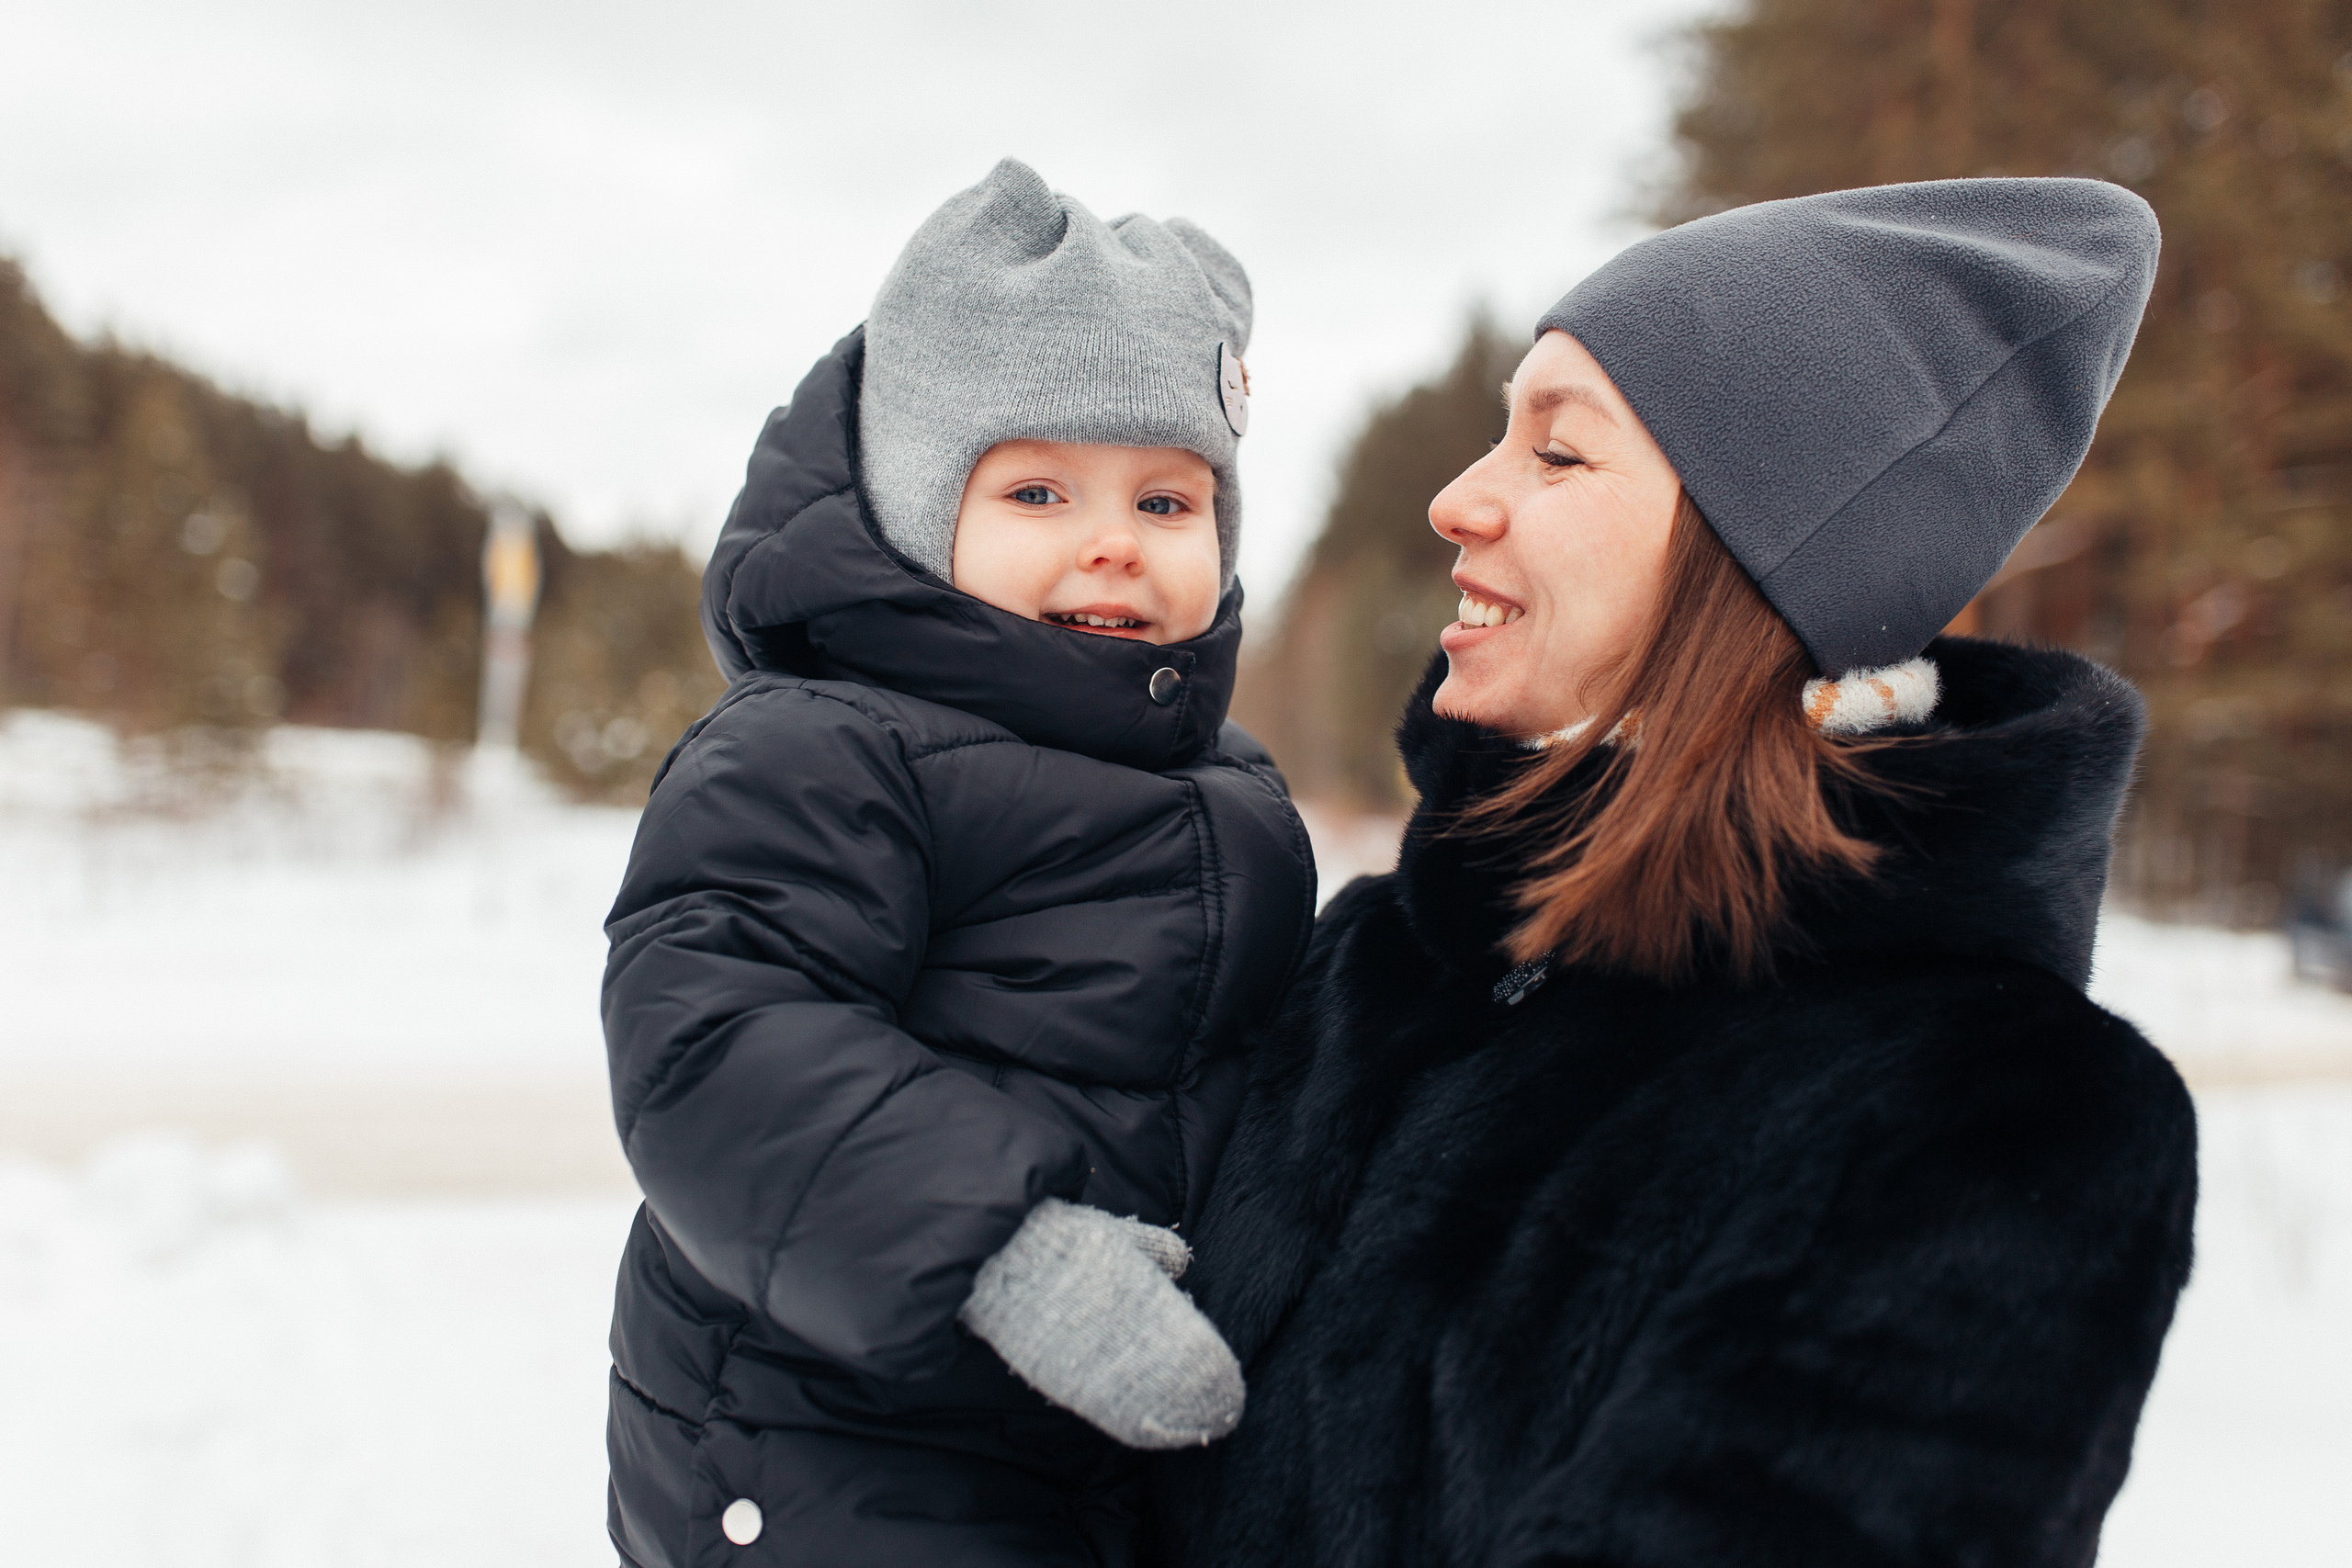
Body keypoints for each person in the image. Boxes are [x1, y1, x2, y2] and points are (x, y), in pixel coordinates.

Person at [1160, 178, 2198, 1567]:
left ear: (1761, 561)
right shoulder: (1383, 966)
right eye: (1497, 434)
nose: (1458, 498)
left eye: (1560, 455)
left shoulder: (1994, 1122)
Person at [601, 159, 1314, 1568]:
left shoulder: (1234, 795)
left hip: (1106, 1459)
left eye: (1167, 504)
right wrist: (1008, 1251)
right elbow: (718, 1039)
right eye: (1040, 491)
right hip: (832, 1439)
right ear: (926, 513)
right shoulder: (822, 746)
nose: (1113, 542)